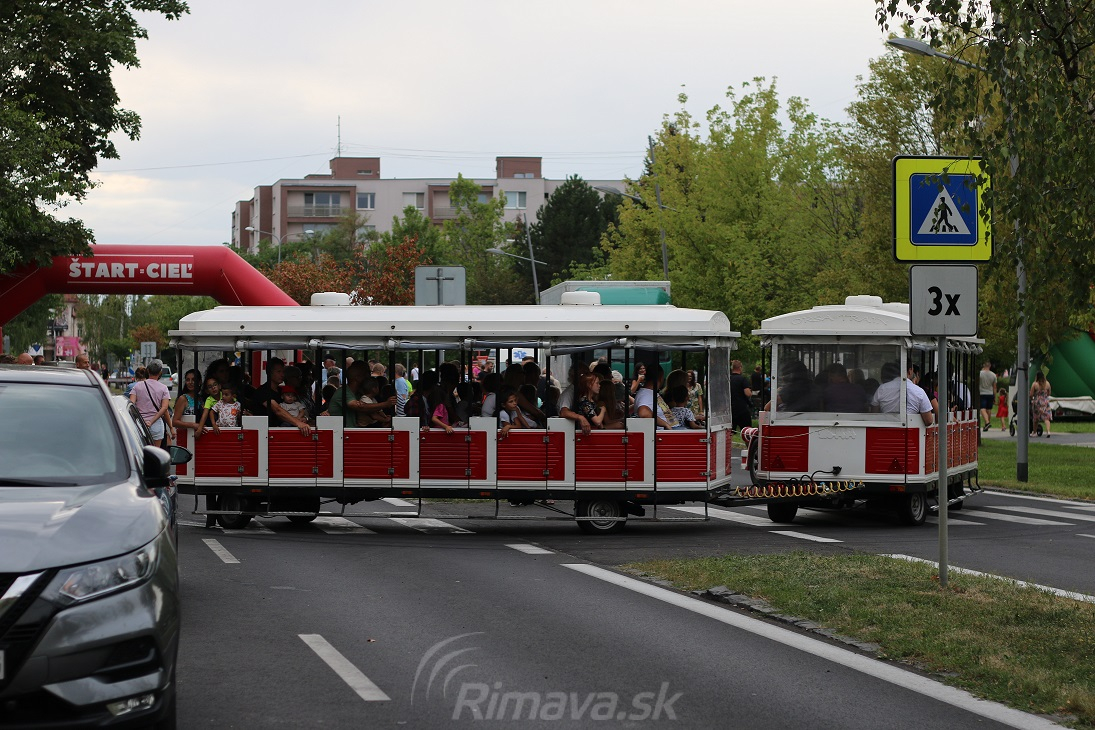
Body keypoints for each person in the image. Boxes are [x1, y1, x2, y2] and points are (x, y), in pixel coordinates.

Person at [870, 362, 934, 426]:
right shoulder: (919, 391)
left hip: (884, 429)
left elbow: (874, 415)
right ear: (910, 371)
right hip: (910, 429)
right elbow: (929, 421)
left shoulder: (882, 388)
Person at [130, 363, 173, 447]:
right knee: (155, 452)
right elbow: (164, 408)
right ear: (160, 373)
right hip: (156, 425)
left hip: (140, 424)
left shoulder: (137, 386)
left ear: (148, 371)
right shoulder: (163, 388)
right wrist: (151, 421)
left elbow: (131, 404)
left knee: (140, 451)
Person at [634, 362, 676, 429]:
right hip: (665, 431)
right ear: (660, 378)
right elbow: (643, 412)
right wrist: (665, 424)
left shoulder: (649, 392)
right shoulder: (645, 396)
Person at [173, 368, 203, 441]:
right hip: (186, 437)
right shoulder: (183, 399)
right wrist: (193, 425)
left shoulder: (201, 399)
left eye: (193, 380)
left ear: (199, 382)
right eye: (187, 380)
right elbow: (175, 422)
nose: (190, 382)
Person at [729, 360, 753, 433]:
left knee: (730, 431)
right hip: (742, 408)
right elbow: (748, 393)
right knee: (747, 431)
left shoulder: (728, 379)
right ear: (740, 368)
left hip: (730, 408)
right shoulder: (742, 379)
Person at [1030, 371, 1052, 437]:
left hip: (1037, 403)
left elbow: (1031, 394)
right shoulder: (1047, 383)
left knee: (1036, 419)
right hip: (1045, 402)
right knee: (1046, 418)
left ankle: (1034, 432)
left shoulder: (1035, 384)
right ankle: (1048, 431)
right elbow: (1049, 393)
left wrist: (1032, 398)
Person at [979, 362, 998, 431]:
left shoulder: (980, 374)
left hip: (982, 393)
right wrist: (994, 396)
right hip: (990, 393)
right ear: (990, 366)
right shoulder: (993, 375)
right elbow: (994, 387)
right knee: (989, 409)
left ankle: (987, 422)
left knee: (982, 409)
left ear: (984, 365)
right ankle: (987, 424)